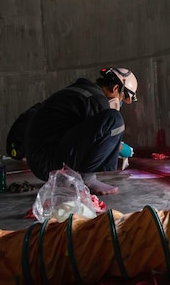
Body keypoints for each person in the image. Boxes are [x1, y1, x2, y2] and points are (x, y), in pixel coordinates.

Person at [24, 67, 138, 195]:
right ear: (116, 88)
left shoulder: (84, 92)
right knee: (114, 120)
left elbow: (86, 134)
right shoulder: (96, 100)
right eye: (123, 97)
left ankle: (72, 176)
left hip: (40, 159)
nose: (121, 102)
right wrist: (121, 148)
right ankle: (87, 179)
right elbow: (99, 137)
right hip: (49, 164)